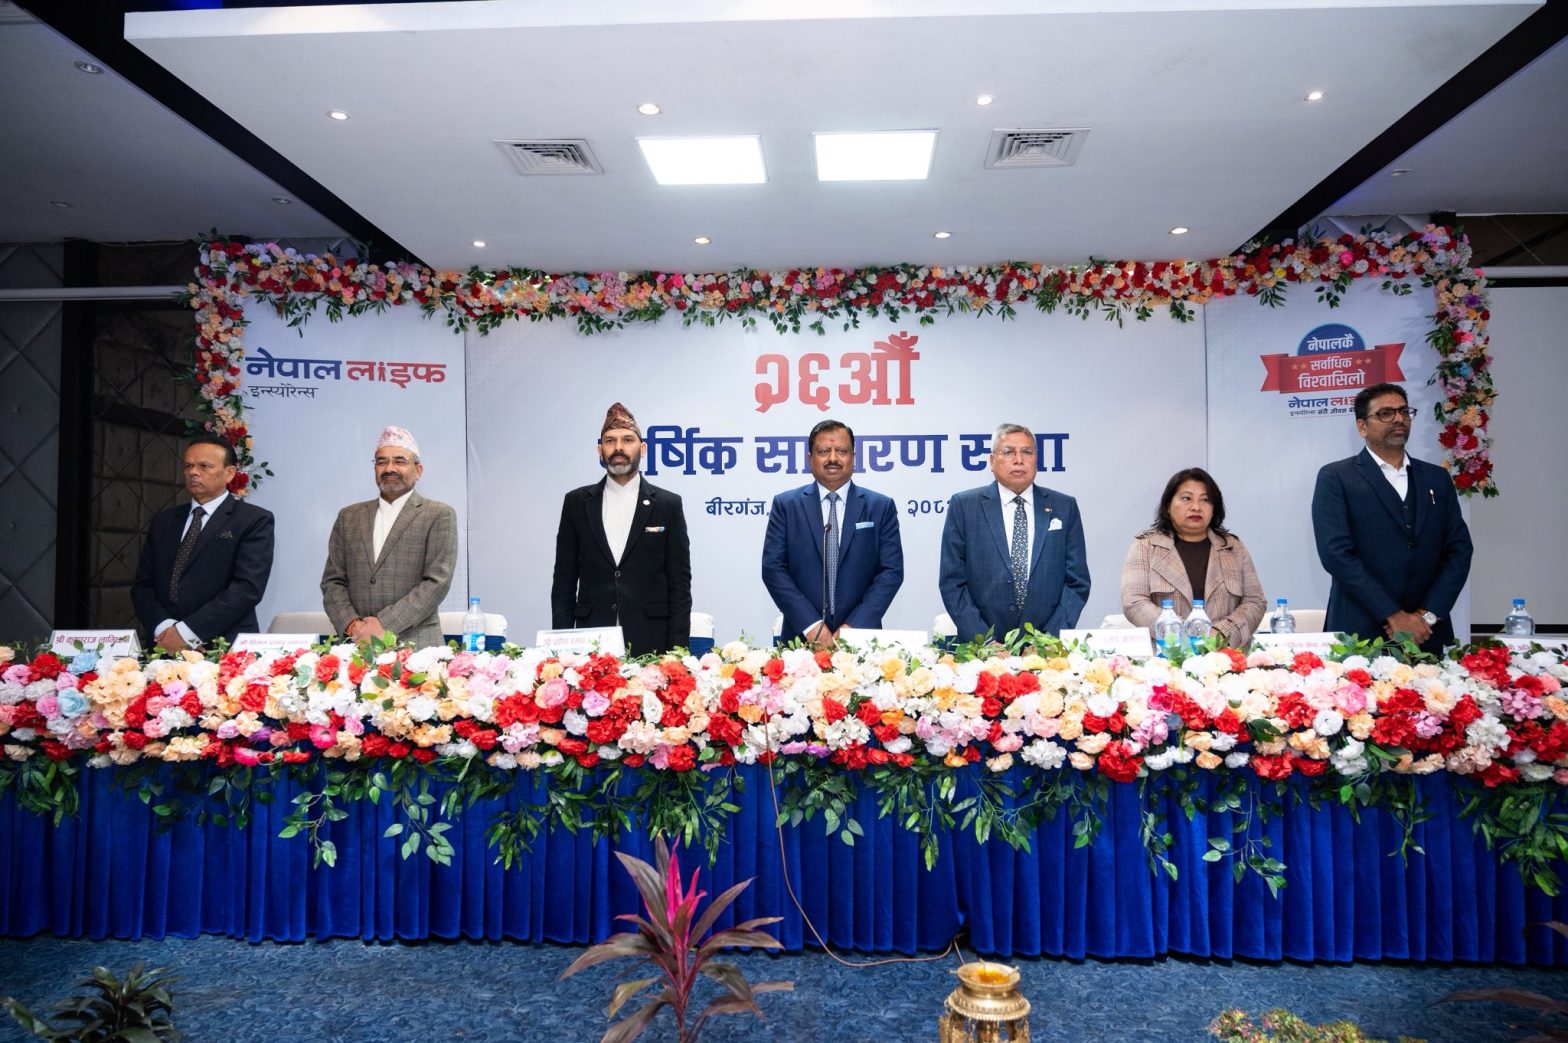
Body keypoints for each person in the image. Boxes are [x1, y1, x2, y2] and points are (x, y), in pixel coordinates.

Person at [1311, 382, 1473, 654]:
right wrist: (1393, 614)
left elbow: (1459, 550)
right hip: (1360, 632)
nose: (1399, 419)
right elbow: (1336, 554)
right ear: (1362, 427)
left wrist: (1427, 615)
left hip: (1426, 633)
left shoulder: (1436, 478)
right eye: (1385, 413)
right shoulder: (1337, 477)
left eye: (1404, 411)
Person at [550, 403, 692, 655]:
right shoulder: (577, 502)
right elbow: (564, 581)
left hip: (652, 641)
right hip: (591, 641)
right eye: (610, 441)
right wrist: (561, 650)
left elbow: (680, 585)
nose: (618, 448)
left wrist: (677, 653)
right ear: (600, 450)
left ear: (643, 449)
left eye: (627, 440)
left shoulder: (668, 504)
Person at [939, 423, 1089, 641]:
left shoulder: (1064, 507)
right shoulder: (964, 506)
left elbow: (1077, 582)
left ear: (1036, 459)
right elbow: (952, 582)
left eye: (1027, 452)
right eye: (1008, 452)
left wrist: (1047, 640)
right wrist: (985, 642)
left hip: (1046, 648)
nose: (1019, 460)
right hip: (982, 648)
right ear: (992, 461)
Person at [762, 419, 903, 648]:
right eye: (824, 451)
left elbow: (891, 572)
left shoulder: (880, 506)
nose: (833, 458)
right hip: (800, 639)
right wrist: (810, 625)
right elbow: (773, 569)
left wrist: (854, 628)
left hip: (863, 641)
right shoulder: (786, 506)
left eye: (842, 451)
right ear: (810, 459)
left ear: (853, 457)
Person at [131, 436, 275, 650]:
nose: (193, 472)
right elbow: (143, 586)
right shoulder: (164, 520)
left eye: (204, 466)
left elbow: (247, 588)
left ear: (229, 473)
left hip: (223, 646)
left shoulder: (253, 519)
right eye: (188, 466)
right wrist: (166, 628)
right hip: (164, 644)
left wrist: (186, 633)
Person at [320, 426, 457, 648]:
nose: (389, 468)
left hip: (417, 648)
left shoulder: (438, 514)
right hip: (356, 645)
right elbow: (332, 581)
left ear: (418, 470)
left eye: (400, 461)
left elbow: (436, 583)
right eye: (381, 462)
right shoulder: (349, 516)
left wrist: (384, 625)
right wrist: (353, 626)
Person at [1120, 467, 1266, 645]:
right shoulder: (1145, 546)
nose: (1196, 507)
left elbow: (1255, 601)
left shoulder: (1233, 547)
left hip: (1224, 653)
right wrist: (1186, 633)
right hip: (1166, 652)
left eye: (1205, 500)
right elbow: (1134, 602)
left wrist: (1221, 634)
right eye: (1186, 498)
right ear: (1168, 505)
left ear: (1214, 508)